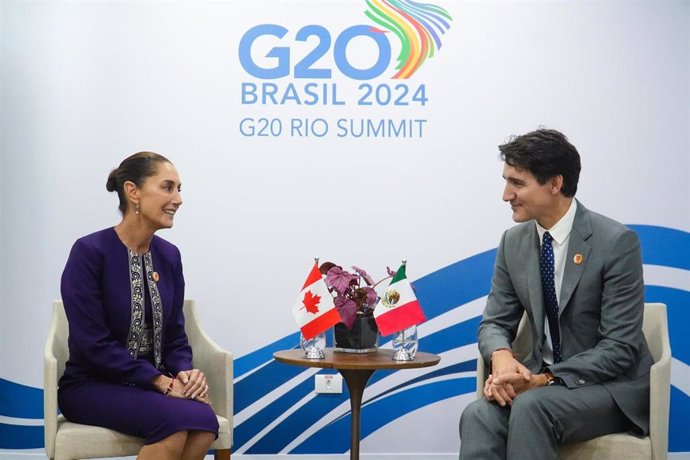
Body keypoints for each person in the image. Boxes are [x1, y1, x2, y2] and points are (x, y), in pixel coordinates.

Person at [459, 129, 653, 459]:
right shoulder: (513, 242)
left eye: (517, 183)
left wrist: (546, 379)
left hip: (607, 388)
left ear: (554, 184)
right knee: (477, 415)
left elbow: (620, 349)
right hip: (540, 384)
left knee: (534, 407)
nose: (506, 195)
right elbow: (493, 323)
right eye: (506, 181)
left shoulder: (616, 242)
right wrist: (502, 357)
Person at [58, 152, 218, 459]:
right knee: (174, 422)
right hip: (90, 385)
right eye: (168, 187)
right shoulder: (89, 252)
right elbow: (92, 342)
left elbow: (174, 335)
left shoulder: (169, 256)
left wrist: (184, 373)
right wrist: (159, 381)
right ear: (133, 191)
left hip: (151, 385)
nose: (178, 199)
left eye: (179, 188)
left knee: (204, 420)